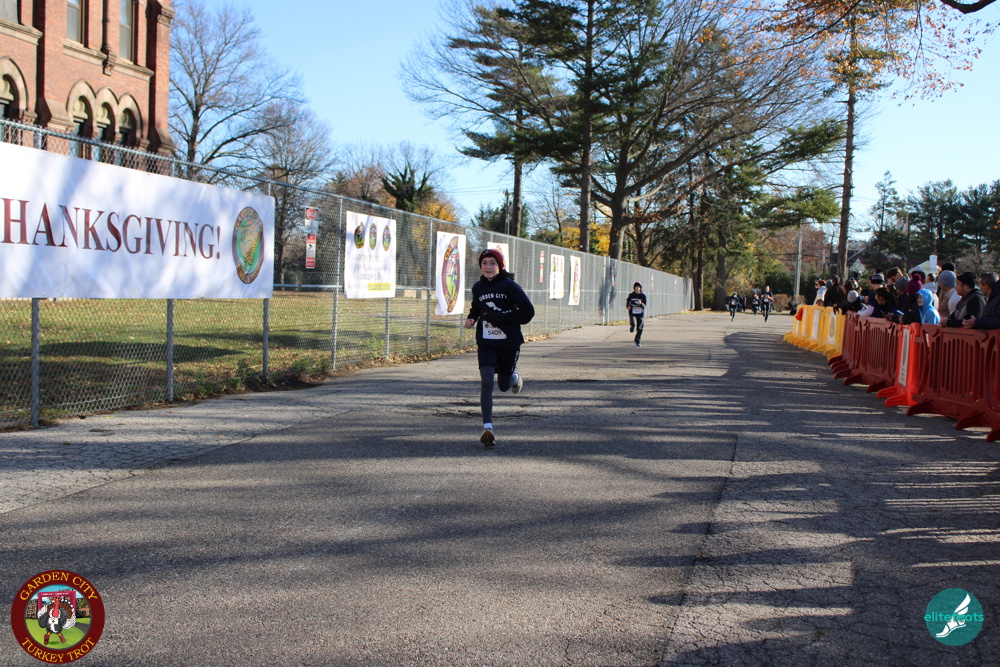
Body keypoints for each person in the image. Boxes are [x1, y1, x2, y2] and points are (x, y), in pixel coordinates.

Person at [464, 249, 535, 447]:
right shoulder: (478, 287)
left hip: (508, 343)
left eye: (492, 263)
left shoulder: (509, 286)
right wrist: (471, 318)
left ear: (500, 265)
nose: (488, 267)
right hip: (486, 342)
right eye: (484, 263)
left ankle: (514, 377)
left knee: (503, 385)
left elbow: (528, 312)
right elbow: (476, 308)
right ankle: (488, 428)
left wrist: (503, 318)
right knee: (486, 381)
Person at [626, 282, 648, 347]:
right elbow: (628, 301)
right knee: (633, 321)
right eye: (636, 287)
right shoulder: (631, 295)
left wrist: (640, 303)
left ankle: (637, 340)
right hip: (632, 311)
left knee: (640, 327)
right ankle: (632, 326)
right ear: (634, 288)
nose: (637, 288)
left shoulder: (643, 296)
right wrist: (628, 306)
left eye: (638, 287)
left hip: (640, 312)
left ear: (640, 288)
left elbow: (644, 305)